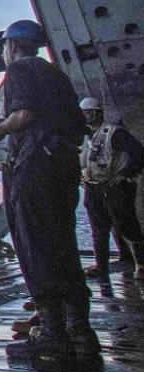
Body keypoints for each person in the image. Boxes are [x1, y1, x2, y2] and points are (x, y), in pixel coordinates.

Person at [0, 19, 95, 358]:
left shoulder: (20, 71)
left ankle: (52, 332)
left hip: (35, 164)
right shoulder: (56, 74)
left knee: (35, 247)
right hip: (63, 165)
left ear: (13, 45)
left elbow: (24, 114)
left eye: (2, 48)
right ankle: (79, 328)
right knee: (63, 245)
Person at [79, 96, 144, 278]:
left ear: (97, 113)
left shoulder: (116, 133)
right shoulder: (82, 137)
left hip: (115, 188)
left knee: (127, 225)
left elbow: (139, 154)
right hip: (93, 188)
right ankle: (101, 266)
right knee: (98, 230)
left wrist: (124, 174)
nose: (86, 117)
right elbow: (79, 160)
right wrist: (80, 177)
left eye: (88, 113)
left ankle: (141, 264)